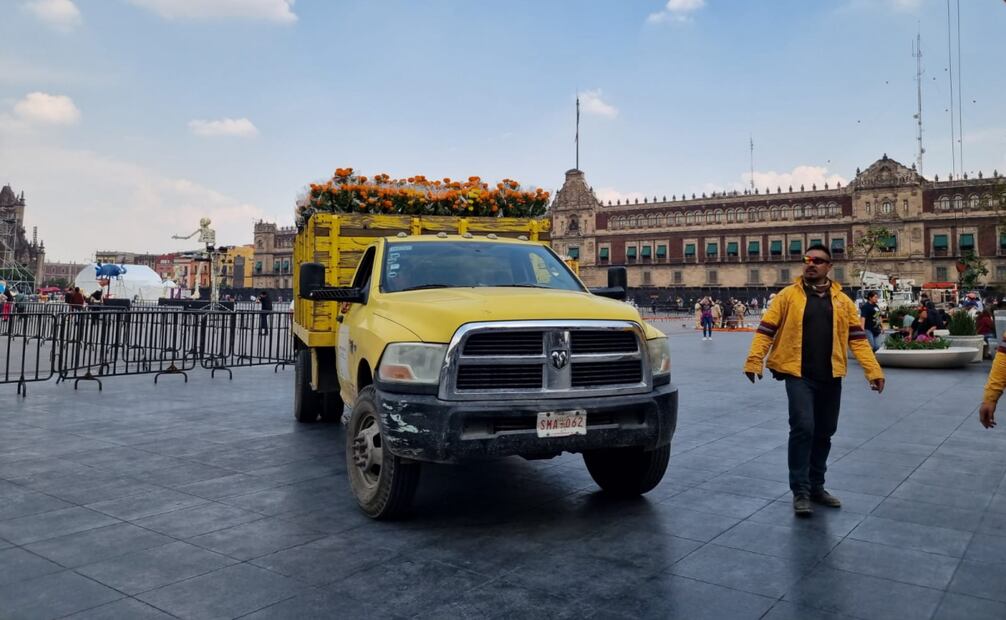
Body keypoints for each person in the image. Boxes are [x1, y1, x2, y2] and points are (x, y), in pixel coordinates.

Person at [745, 244, 884, 516]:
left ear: (829, 267)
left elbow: (857, 339)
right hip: (798, 373)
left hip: (831, 374)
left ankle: (817, 486)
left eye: (818, 261)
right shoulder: (787, 296)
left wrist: (873, 371)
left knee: (825, 431)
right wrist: (754, 360)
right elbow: (766, 330)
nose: (811, 264)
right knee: (803, 428)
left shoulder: (842, 301)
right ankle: (801, 490)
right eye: (807, 259)